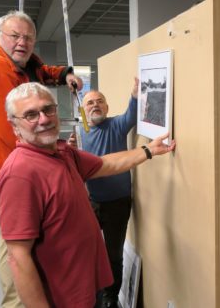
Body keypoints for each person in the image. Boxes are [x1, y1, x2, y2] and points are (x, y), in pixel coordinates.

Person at [0, 82, 175, 307]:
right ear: (14, 125)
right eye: (31, 114)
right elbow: (18, 259)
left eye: (48, 109)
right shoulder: (19, 174)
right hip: (62, 298)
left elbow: (105, 164)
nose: (43, 119)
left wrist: (148, 150)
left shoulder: (62, 153)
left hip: (86, 289)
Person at [0, 10, 83, 307]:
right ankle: (17, 301)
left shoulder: (23, 62)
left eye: (28, 37)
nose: (22, 42)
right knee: (17, 243)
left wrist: (64, 74)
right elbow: (12, 128)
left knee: (32, 234)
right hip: (10, 167)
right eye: (15, 36)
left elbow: (42, 71)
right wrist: (54, 155)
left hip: (23, 163)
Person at [68, 79, 138, 308]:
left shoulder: (116, 124)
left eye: (100, 102)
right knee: (86, 249)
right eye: (89, 103)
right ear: (83, 110)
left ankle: (110, 298)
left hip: (118, 204)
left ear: (107, 108)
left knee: (113, 255)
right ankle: (91, 290)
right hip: (91, 202)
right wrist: (72, 147)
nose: (95, 105)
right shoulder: (83, 130)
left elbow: (131, 114)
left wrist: (135, 95)